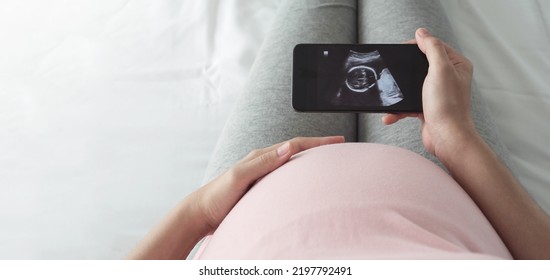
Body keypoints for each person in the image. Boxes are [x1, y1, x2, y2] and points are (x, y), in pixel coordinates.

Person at [127, 0, 550, 260]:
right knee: (412, 25)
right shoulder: (453, 144)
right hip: (449, 174)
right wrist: (457, 140)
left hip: (251, 188)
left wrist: (200, 212)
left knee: (316, 6)